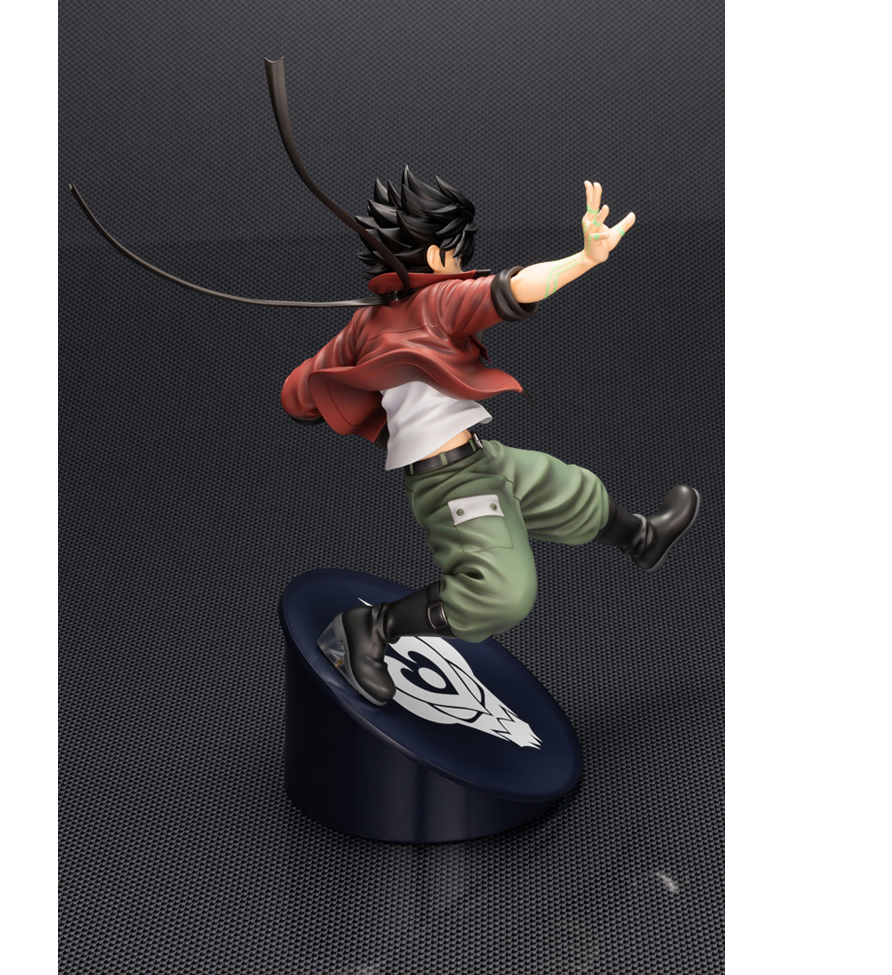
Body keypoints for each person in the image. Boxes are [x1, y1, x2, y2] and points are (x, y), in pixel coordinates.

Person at [282, 168, 699, 706]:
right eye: (458, 258)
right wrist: (584, 259)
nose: (461, 269)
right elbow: (511, 288)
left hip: (481, 461)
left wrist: (348, 352)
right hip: (451, 485)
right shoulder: (435, 303)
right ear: (438, 257)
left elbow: (297, 401)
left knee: (572, 490)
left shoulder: (368, 325)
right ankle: (371, 628)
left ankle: (642, 538)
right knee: (500, 594)